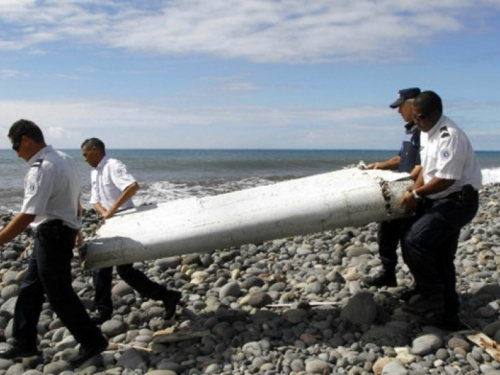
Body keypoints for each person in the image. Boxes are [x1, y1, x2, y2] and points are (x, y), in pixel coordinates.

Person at [0, 120, 108, 367]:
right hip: (56, 232)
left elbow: (28, 214)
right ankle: (23, 341)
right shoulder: (64, 159)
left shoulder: (42, 167)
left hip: (53, 234)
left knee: (59, 293)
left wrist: (1, 239)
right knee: (31, 288)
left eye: (16, 146)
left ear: (26, 140)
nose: (16, 153)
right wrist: (76, 226)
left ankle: (92, 340)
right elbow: (75, 198)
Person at [400, 91, 482, 329]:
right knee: (440, 255)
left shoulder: (450, 136)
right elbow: (427, 169)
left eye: (420, 117)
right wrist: (415, 193)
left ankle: (431, 296)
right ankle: (447, 314)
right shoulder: (427, 131)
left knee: (416, 241)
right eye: (414, 117)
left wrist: (416, 194)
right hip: (439, 199)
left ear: (436, 114)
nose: (416, 122)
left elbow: (446, 178)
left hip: (457, 201)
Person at [81, 138, 181, 324]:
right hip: (110, 223)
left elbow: (132, 187)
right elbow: (95, 199)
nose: (84, 159)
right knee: (108, 267)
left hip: (125, 219)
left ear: (95, 150)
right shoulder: (94, 172)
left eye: (85, 155)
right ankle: (104, 310)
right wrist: (104, 213)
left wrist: (112, 211)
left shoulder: (113, 165)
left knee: (120, 269)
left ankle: (166, 296)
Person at [364, 87, 422, 288]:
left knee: (410, 240)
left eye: (401, 107)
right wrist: (380, 165)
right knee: (386, 231)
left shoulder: (424, 131)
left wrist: (409, 189)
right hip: (401, 189)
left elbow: (421, 167)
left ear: (414, 105)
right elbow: (400, 158)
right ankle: (388, 273)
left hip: (414, 192)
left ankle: (420, 283)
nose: (399, 112)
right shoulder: (409, 131)